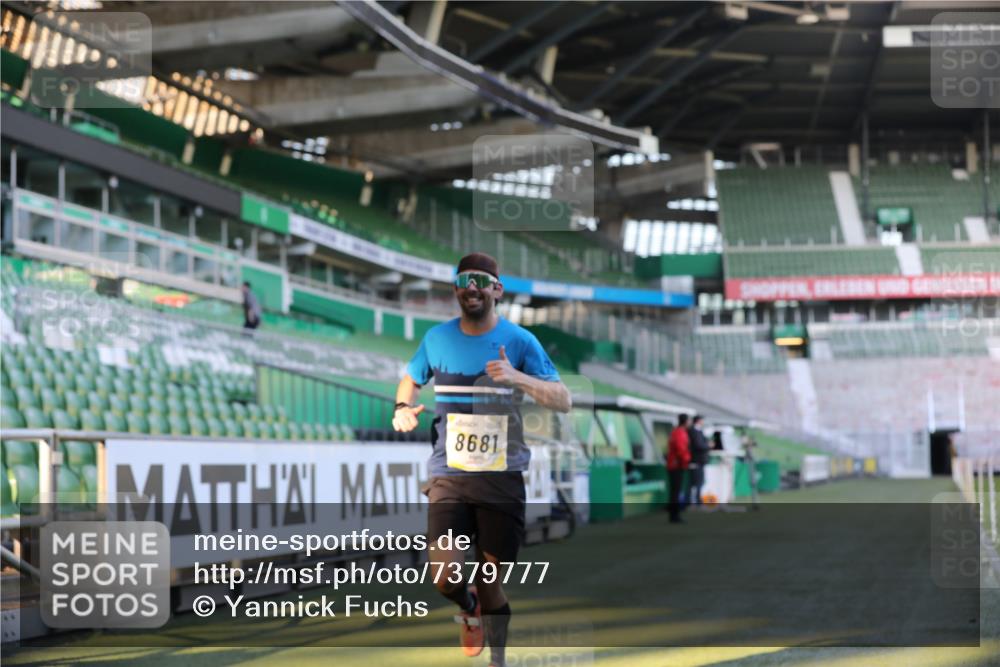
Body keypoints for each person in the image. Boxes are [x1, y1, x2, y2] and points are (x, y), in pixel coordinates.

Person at [392, 252, 571, 667]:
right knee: (444, 577)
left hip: (501, 479)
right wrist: (403, 404)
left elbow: (563, 399)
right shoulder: (436, 338)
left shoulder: (521, 342)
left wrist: (518, 377)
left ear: (496, 289)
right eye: (463, 281)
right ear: (455, 289)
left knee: (492, 583)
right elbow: (411, 377)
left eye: (480, 280)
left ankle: (497, 660)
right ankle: (466, 605)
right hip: (449, 477)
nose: (471, 288)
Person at [665, 413, 690, 524]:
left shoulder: (676, 432)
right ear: (686, 421)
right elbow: (681, 450)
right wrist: (687, 460)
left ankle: (674, 514)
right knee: (675, 491)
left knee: (674, 491)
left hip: (674, 464)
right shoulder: (680, 433)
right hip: (677, 465)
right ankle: (674, 515)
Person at [687, 415, 710, 506]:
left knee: (698, 482)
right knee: (694, 482)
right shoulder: (693, 431)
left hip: (700, 461)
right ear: (698, 421)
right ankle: (693, 501)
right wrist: (708, 446)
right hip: (695, 461)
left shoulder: (699, 431)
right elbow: (698, 445)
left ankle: (697, 501)